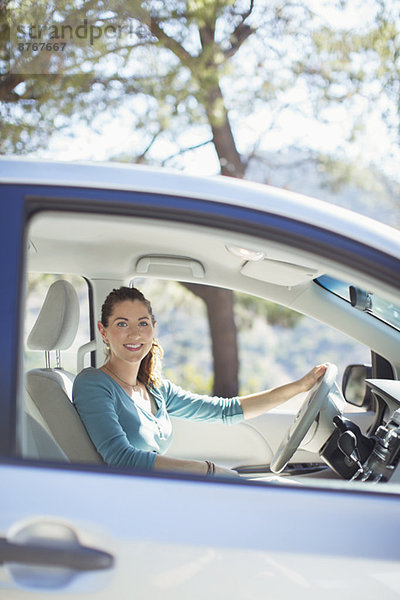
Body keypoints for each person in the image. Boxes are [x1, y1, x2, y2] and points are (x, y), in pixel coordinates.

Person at [73, 286, 326, 477]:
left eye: (142, 323)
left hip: (157, 491)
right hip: (135, 500)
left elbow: (225, 411)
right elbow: (122, 459)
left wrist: (300, 387)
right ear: (103, 331)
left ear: (153, 327)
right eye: (121, 324)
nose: (135, 333)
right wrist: (209, 471)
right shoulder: (93, 384)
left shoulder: (155, 388)